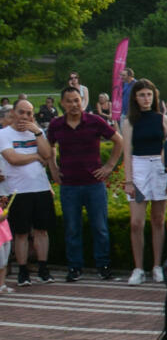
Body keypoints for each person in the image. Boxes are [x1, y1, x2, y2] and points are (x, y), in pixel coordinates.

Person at [46, 84, 122, 281]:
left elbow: (118, 141)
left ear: (82, 101)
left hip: (93, 184)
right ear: (62, 103)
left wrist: (109, 166)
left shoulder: (95, 121)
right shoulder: (56, 125)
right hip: (69, 185)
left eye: (77, 100)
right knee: (72, 228)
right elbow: (49, 148)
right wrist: (53, 169)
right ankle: (75, 267)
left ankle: (103, 265)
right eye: (69, 101)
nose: (74, 105)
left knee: (100, 227)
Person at [120, 80, 167, 284]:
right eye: (141, 95)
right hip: (139, 170)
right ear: (135, 97)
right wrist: (129, 180)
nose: (146, 99)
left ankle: (157, 265)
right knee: (136, 222)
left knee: (158, 219)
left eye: (149, 95)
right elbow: (127, 152)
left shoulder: (162, 119)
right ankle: (138, 267)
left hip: (158, 169)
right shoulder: (129, 121)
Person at [1, 95, 56, 285]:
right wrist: (34, 156)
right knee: (21, 233)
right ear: (13, 113)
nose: (24, 116)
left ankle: (43, 268)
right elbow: (12, 159)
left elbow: (47, 154)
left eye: (29, 113)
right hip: (17, 190)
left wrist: (39, 133)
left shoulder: (37, 131)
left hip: (40, 188)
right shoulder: (3, 134)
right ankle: (23, 271)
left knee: (42, 231)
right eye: (21, 112)